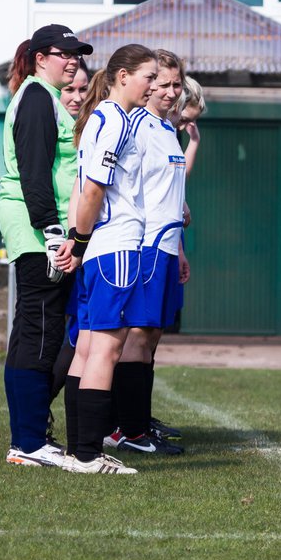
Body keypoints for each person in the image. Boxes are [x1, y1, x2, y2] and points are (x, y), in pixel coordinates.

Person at [58, 43, 158, 475]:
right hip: (115, 246)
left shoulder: (99, 119)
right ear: (123, 76)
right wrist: (78, 241)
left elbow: (82, 190)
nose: (153, 85)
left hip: (100, 246)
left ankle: (79, 448)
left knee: (86, 348)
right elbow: (94, 189)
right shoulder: (114, 120)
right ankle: (88, 454)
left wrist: (78, 241)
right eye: (148, 76)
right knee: (106, 349)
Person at [0, 23, 92, 469]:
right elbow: (35, 172)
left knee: (33, 333)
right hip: (39, 235)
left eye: (76, 53)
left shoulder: (45, 98)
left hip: (38, 232)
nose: (72, 59)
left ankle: (28, 436)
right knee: (38, 334)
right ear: (40, 57)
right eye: (64, 53)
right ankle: (29, 440)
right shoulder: (37, 99)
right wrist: (54, 232)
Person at [103, 49, 190, 455]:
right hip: (146, 245)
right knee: (137, 334)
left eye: (176, 84)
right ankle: (127, 429)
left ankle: (137, 422)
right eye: (163, 83)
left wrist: (182, 247)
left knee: (152, 335)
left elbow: (168, 193)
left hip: (168, 247)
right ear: (146, 82)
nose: (171, 91)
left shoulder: (167, 129)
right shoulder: (135, 125)